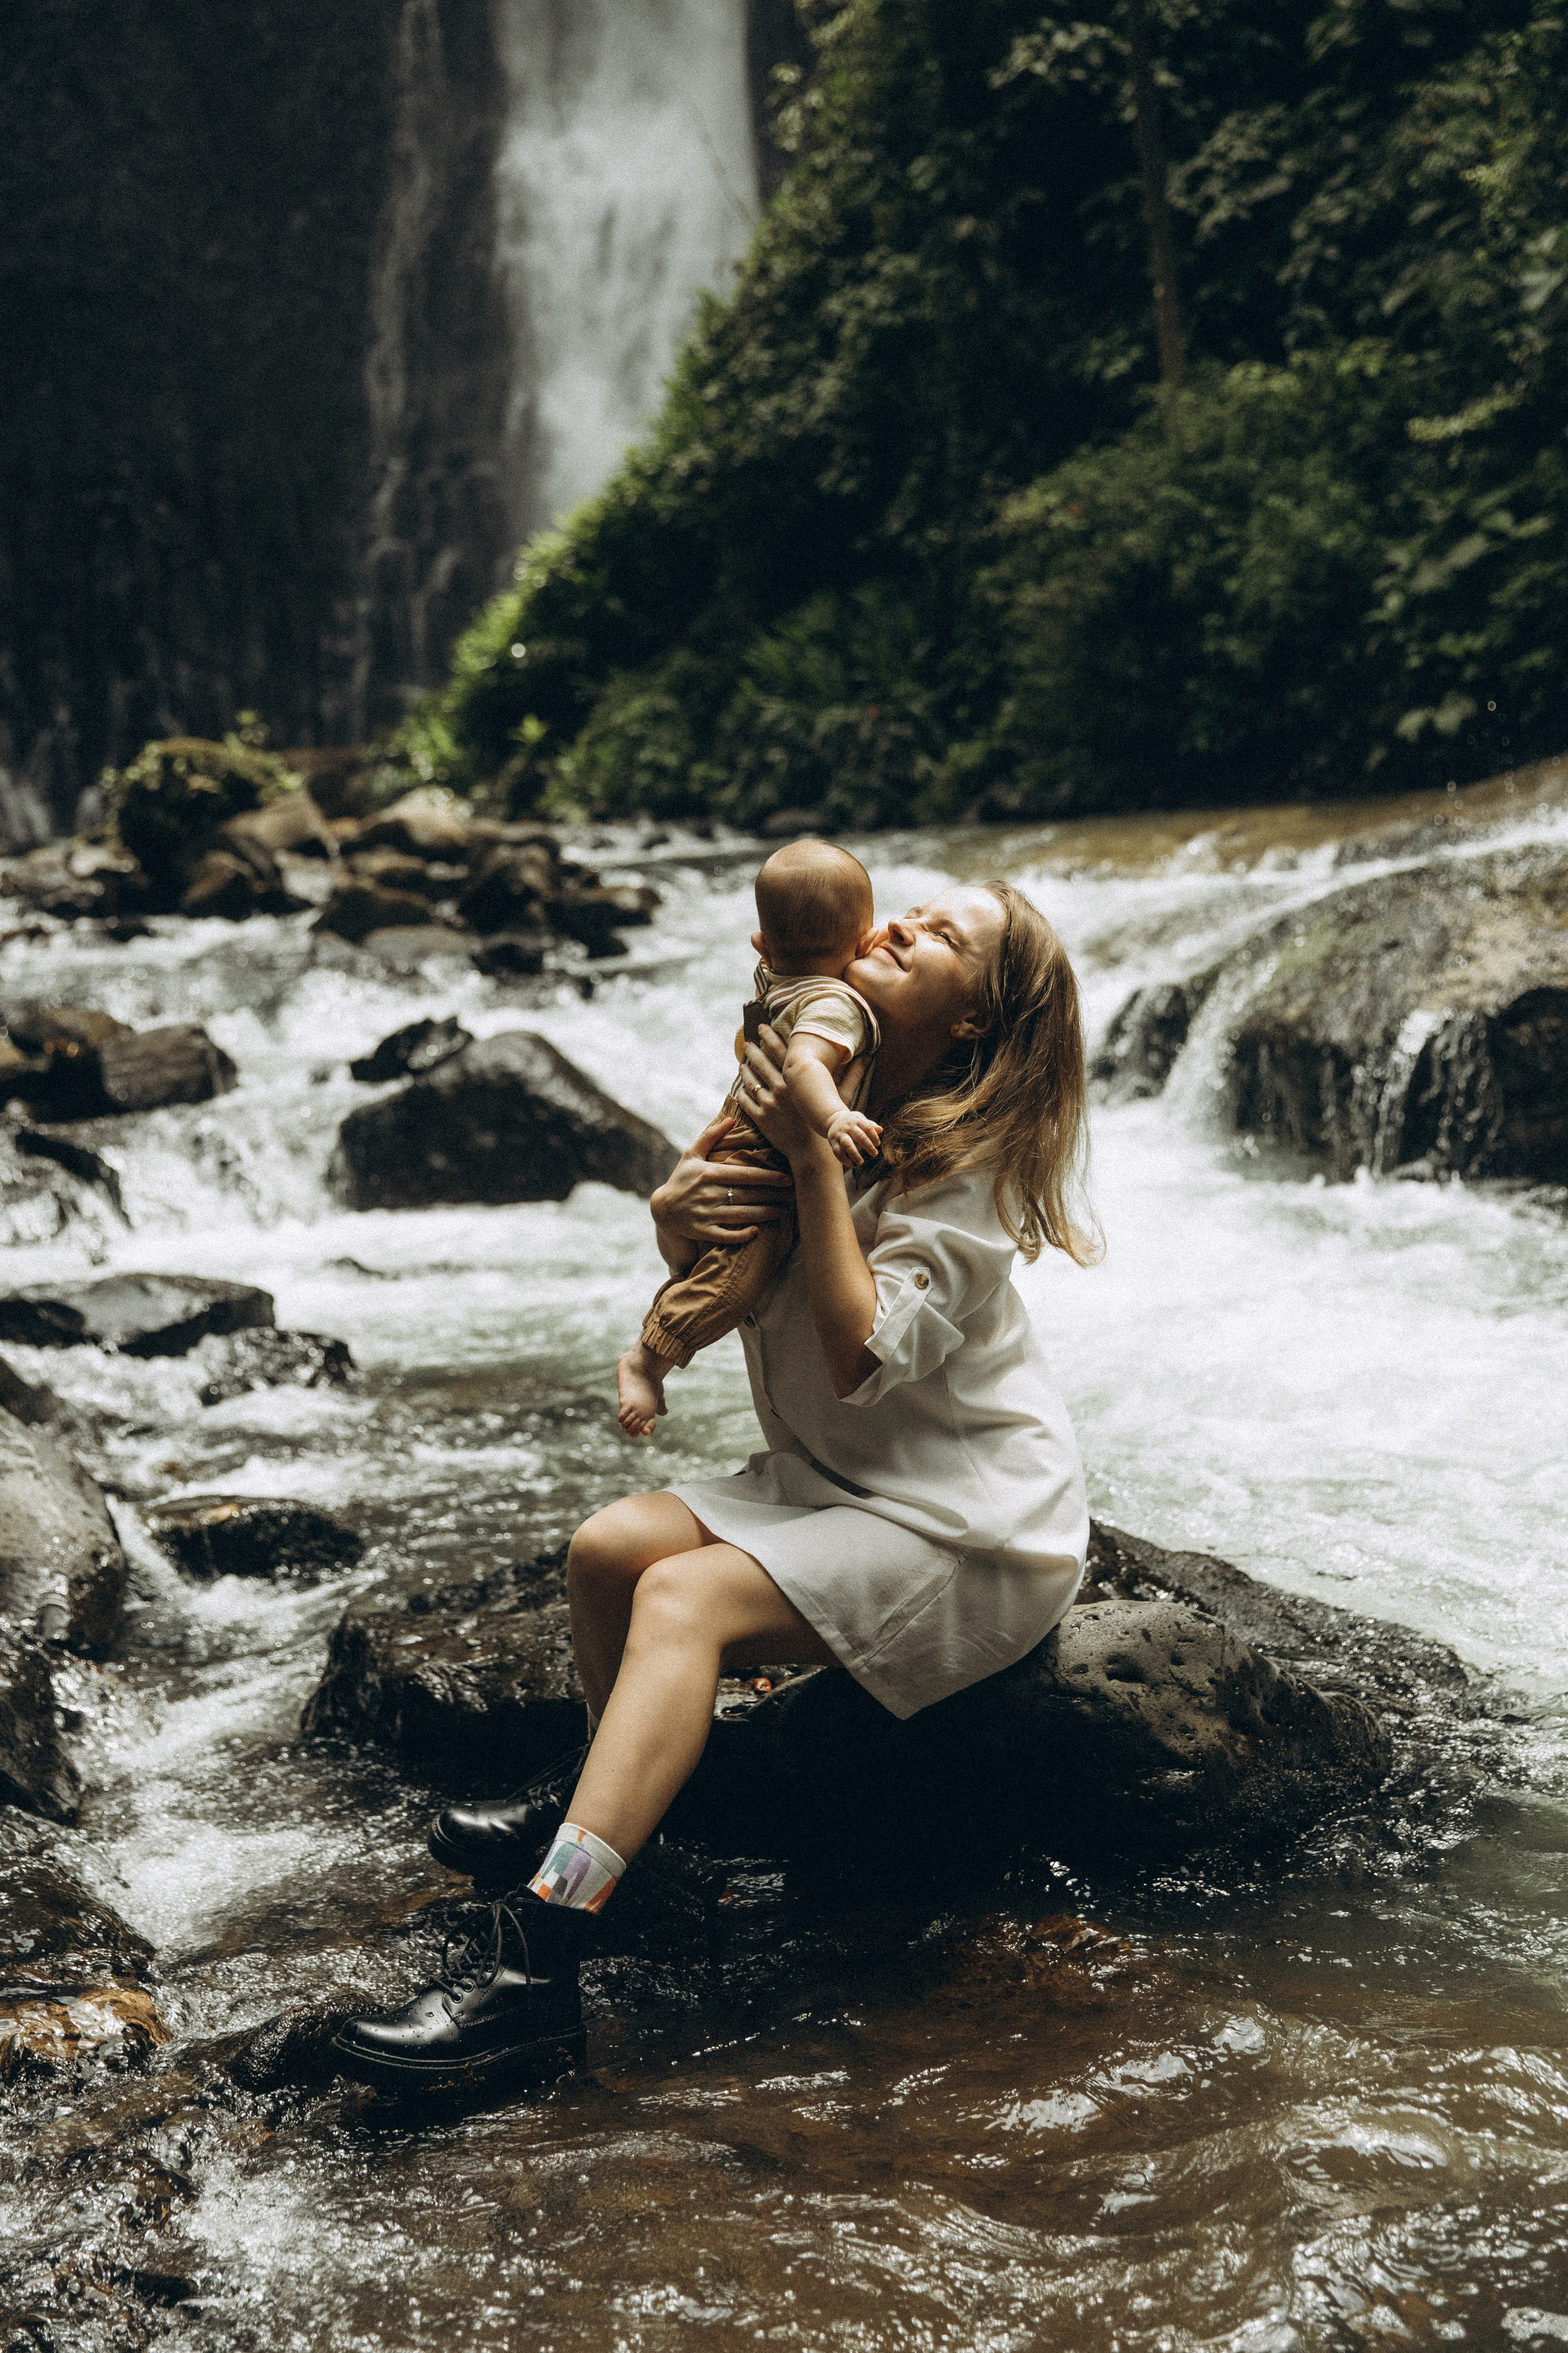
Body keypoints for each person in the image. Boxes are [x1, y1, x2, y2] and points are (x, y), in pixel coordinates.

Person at [331, 878, 1095, 2097]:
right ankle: (631, 1848)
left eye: (940, 937)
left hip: (965, 1526)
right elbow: (720, 1251)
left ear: (970, 1022)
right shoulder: (820, 1083)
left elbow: (854, 1356)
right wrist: (670, 1213)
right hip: (838, 1480)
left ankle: (542, 1958)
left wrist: (804, 1163)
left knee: (681, 1600)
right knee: (605, 1550)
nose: (894, 926)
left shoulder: (971, 1172)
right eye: (906, 913)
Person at [617, 837, 882, 1438]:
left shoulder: (774, 978)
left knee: (718, 1260)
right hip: (767, 1151)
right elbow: (806, 1068)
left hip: (747, 1129)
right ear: (866, 942)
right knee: (735, 1281)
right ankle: (650, 1356)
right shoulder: (837, 1005)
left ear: (762, 944)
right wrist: (835, 1120)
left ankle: (653, 1343)